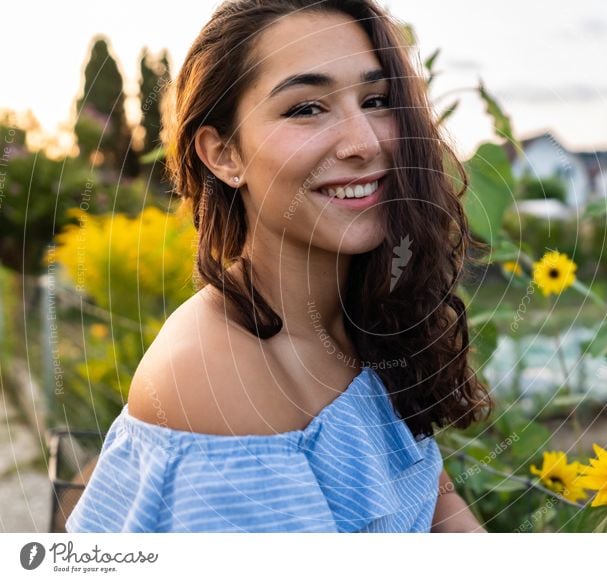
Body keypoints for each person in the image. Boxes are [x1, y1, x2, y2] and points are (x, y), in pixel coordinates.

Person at [66, 0, 492, 533]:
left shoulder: (365, 318)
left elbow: (432, 502)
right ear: (225, 155)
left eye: (376, 100)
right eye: (306, 108)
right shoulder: (217, 379)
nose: (364, 142)